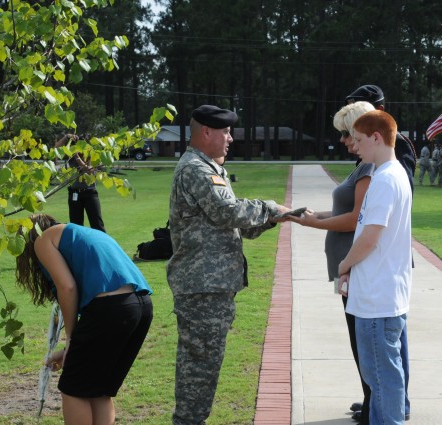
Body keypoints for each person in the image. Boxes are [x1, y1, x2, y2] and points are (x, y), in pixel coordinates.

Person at [167, 105, 291, 425]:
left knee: (205, 364)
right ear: (206, 132)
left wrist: (271, 218)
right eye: (225, 132)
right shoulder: (196, 168)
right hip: (202, 286)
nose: (231, 138)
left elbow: (233, 223)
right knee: (199, 367)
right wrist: (270, 207)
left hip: (212, 285)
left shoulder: (210, 167)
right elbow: (227, 212)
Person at [15, 213, 153, 424]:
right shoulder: (78, 234)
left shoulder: (43, 238)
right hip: (140, 307)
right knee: (98, 389)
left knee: (73, 388)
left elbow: (67, 287)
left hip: (111, 308)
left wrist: (71, 339)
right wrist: (73, 346)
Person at [288, 100, 375, 424]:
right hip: (348, 267)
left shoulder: (367, 168)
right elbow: (345, 212)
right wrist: (311, 215)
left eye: (345, 134)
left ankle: (373, 404)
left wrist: (313, 224)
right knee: (359, 337)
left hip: (356, 266)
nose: (342, 141)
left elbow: (356, 220)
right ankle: (369, 399)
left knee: (362, 339)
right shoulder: (361, 166)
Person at [339, 110, 412, 425]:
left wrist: (344, 264)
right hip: (380, 296)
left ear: (376, 138)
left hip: (377, 300)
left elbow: (370, 237)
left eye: (358, 140)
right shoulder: (390, 175)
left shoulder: (384, 179)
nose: (355, 147)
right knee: (380, 375)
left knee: (382, 378)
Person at [55, 133, 106, 232]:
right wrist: (66, 137)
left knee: (97, 224)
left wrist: (77, 157)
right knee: (76, 226)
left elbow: (88, 170)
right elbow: (56, 150)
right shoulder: (72, 155)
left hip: (90, 193)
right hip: (74, 193)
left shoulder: (93, 155)